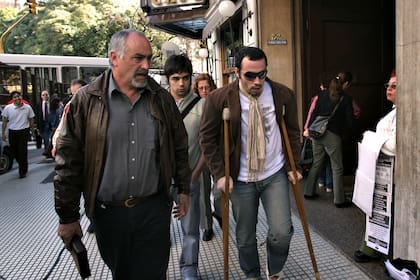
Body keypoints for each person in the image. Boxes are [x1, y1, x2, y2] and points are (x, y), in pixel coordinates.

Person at [54, 29, 191, 279]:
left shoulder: (161, 99)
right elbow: (68, 162)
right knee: (123, 274)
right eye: (138, 58)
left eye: (149, 58)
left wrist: (183, 189)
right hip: (109, 214)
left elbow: (179, 146)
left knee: (154, 273)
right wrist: (68, 217)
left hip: (153, 209)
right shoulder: (86, 101)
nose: (146, 66)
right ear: (114, 57)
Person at [200, 47, 302, 280]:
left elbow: (293, 131)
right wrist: (220, 174)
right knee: (245, 236)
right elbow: (207, 138)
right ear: (237, 72)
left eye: (262, 74)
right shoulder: (219, 99)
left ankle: (274, 268)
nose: (257, 81)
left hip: (274, 173)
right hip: (240, 178)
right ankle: (252, 274)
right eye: (250, 75)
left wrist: (294, 165)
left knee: (282, 232)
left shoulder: (282, 94)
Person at [165, 55, 206, 280]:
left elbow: (207, 145)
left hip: (189, 178)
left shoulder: (202, 105)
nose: (181, 84)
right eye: (175, 78)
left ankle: (189, 269)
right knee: (158, 229)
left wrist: (194, 175)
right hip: (160, 180)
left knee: (190, 229)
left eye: (185, 78)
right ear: (168, 80)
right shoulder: (159, 103)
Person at [353, 72, 397, 263]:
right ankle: (372, 246)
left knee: (384, 209)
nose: (388, 88)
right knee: (377, 207)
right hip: (381, 169)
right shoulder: (394, 112)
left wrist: (369, 137)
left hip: (392, 170)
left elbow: (394, 145)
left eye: (394, 86)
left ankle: (374, 248)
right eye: (388, 85)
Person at [303, 76, 355, 207]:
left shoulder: (322, 95)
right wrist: (348, 134)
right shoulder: (346, 99)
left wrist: (309, 129)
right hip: (333, 134)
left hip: (317, 133)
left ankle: (308, 191)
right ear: (342, 85)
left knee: (316, 163)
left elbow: (314, 113)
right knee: (337, 167)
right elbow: (350, 120)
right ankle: (339, 199)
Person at [192, 73, 221, 241]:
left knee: (219, 193)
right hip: (200, 155)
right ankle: (207, 226)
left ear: (212, 87)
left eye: (206, 87)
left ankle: (219, 213)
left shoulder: (218, 102)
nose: (204, 91)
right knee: (203, 194)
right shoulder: (194, 106)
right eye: (201, 88)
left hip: (217, 154)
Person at [2, 91, 36, 178]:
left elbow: (31, 120)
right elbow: (5, 121)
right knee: (14, 152)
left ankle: (22, 171)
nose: (17, 98)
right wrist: (3, 133)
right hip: (12, 131)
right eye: (15, 97)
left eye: (18, 96)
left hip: (24, 131)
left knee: (22, 152)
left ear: (21, 97)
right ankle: (22, 164)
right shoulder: (8, 108)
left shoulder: (27, 108)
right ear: (12, 99)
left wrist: (32, 131)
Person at [51, 79, 87, 157]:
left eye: (78, 94)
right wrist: (55, 144)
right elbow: (62, 126)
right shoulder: (70, 106)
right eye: (73, 95)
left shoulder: (97, 104)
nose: (75, 98)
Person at [37, 90, 52, 157]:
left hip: (51, 123)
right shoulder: (39, 104)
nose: (45, 96)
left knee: (52, 138)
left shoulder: (51, 104)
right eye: (43, 95)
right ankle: (47, 152)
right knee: (46, 139)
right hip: (44, 123)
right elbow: (37, 116)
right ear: (41, 96)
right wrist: (37, 127)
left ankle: (52, 151)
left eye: (46, 94)